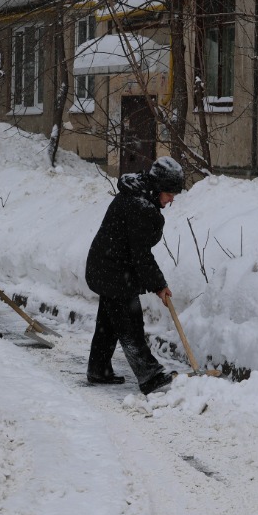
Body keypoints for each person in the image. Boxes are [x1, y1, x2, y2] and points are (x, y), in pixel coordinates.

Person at [84, 156, 184, 395]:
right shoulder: (141, 206)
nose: (171, 200)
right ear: (158, 188)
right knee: (130, 324)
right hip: (114, 271)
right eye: (169, 194)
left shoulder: (136, 193)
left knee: (108, 323)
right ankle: (149, 376)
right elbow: (141, 255)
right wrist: (159, 285)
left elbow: (136, 251)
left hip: (104, 265)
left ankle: (99, 369)